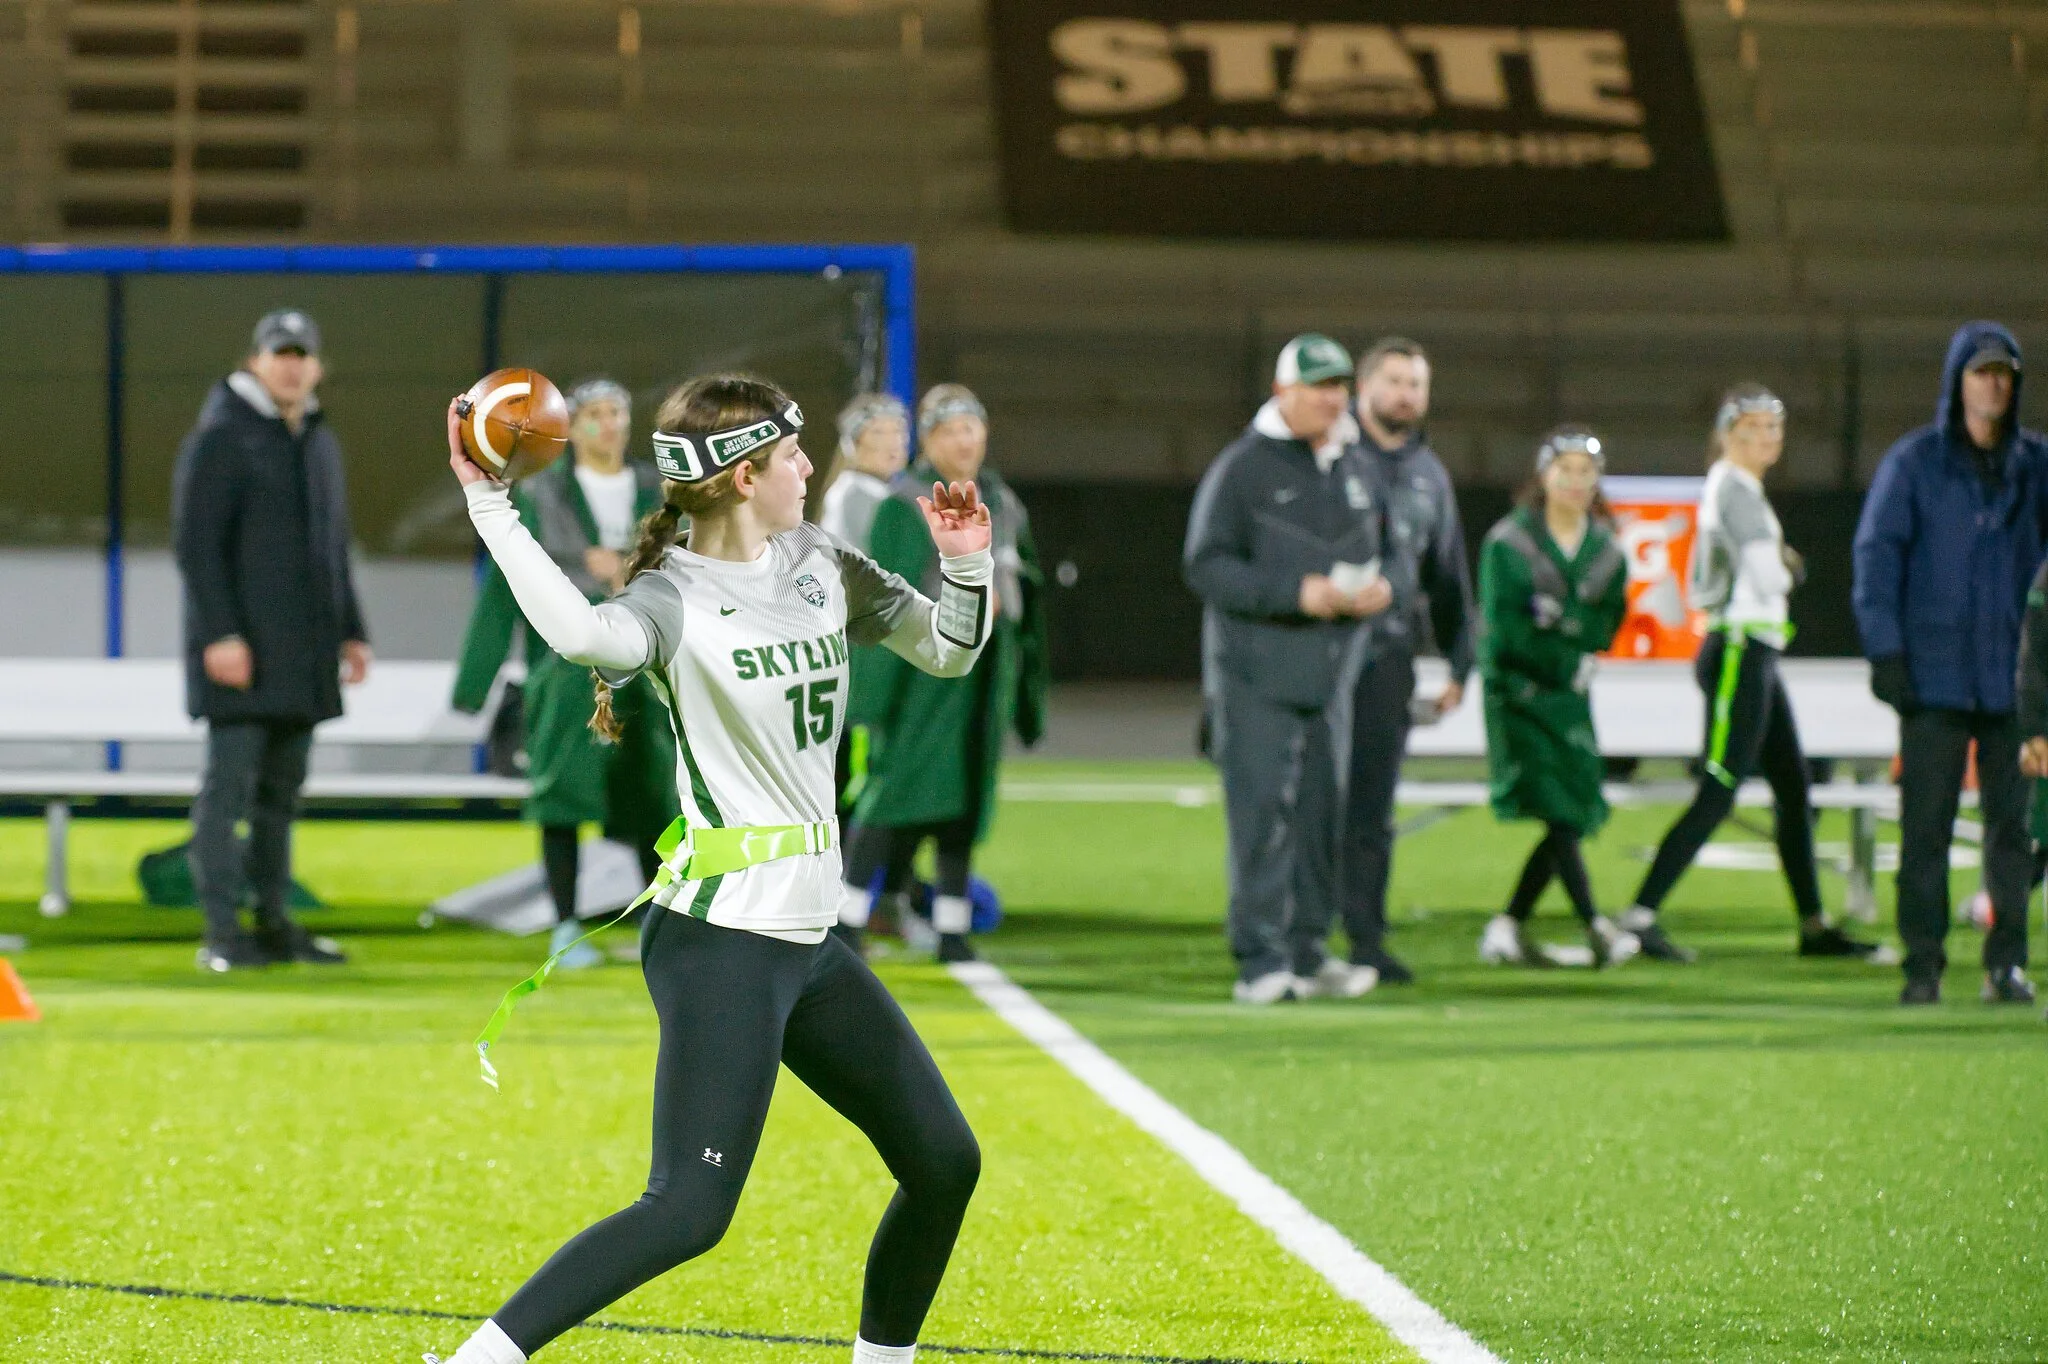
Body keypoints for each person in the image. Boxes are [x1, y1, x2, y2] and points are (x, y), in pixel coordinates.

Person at [428, 373, 992, 1364]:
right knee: (687, 1209)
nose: (809, 468)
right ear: (742, 476)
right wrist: (490, 507)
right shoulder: (671, 598)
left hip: (806, 938)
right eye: (791, 455)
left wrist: (966, 563)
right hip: (722, 939)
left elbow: (947, 650)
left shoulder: (820, 560)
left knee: (944, 1162)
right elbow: (579, 634)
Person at [1621, 385, 1882, 964]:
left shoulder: (1740, 487)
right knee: (1719, 788)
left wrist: (1779, 563)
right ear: (1727, 434)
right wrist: (1786, 566)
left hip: (1755, 650)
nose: (1768, 437)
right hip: (1740, 648)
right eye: (1755, 427)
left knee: (1793, 788)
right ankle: (1639, 917)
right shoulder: (1735, 488)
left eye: (1774, 427)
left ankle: (1813, 927)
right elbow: (1768, 575)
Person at [1184, 334, 1389, 1004]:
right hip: (1255, 677)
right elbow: (1205, 565)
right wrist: (1293, 593)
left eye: (1339, 386)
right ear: (1282, 392)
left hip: (1331, 678)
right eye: (1318, 386)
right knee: (1263, 819)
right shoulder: (1242, 468)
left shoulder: (1354, 464)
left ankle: (1308, 952)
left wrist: (1382, 588)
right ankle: (1260, 961)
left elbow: (1386, 545)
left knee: (1321, 820)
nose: (1333, 399)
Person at [451, 378, 679, 968]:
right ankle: (565, 924)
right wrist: (473, 684)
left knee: (656, 791)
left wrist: (631, 569)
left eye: (617, 412)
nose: (610, 424)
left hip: (647, 659)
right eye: (596, 413)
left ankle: (661, 923)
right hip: (565, 668)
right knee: (562, 791)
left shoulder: (658, 490)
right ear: (571, 427)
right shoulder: (542, 492)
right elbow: (507, 581)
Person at [1854, 323, 2048, 1006]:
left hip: (2013, 684)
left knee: (2013, 834)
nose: (1995, 385)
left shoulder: (2037, 466)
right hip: (1932, 678)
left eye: (2005, 375)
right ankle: (1923, 966)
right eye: (1982, 372)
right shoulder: (1914, 463)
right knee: (1925, 832)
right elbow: (1876, 559)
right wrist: (1885, 650)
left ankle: (2006, 965)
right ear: (1956, 381)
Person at [172, 308, 369, 972]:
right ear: (255, 360)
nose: (290, 366)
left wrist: (352, 631)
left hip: (303, 655)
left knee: (279, 800)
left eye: (300, 355)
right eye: (279, 353)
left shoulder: (318, 440)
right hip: (242, 655)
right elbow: (197, 548)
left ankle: (275, 925)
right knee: (227, 794)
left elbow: (332, 548)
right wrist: (220, 634)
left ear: (317, 367)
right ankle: (222, 935)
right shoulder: (221, 437)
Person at [834, 384, 1049, 962]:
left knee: (966, 800)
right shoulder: (903, 505)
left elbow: (1027, 590)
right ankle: (847, 921)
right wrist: (871, 699)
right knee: (894, 793)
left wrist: (1027, 686)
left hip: (987, 671)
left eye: (971, 428)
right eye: (950, 430)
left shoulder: (1003, 501)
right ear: (928, 439)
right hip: (923, 674)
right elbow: (885, 602)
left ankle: (953, 929)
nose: (964, 441)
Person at [1290, 336, 1475, 988]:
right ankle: (1298, 934)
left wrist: (1460, 663)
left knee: (1371, 808)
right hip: (1320, 652)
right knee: (1312, 800)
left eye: (1415, 384)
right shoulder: (1324, 456)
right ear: (1364, 388)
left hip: (1389, 659)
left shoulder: (1430, 476)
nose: (1405, 395)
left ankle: (1366, 938)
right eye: (1394, 381)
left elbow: (1448, 576)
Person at [1475, 427, 1638, 968]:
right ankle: (1595, 924)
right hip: (1518, 696)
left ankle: (1508, 924)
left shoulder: (1606, 550)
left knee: (1571, 812)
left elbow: (1604, 625)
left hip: (1568, 700)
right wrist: (1567, 647)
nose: (1574, 481)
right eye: (1563, 469)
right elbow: (1506, 632)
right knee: (1558, 807)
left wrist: (1561, 627)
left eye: (1585, 472)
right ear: (1542, 476)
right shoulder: (1509, 543)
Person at [821, 393, 911, 546]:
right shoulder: (854, 495)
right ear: (852, 444)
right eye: (878, 432)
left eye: (898, 430)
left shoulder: (889, 491)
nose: (893, 442)